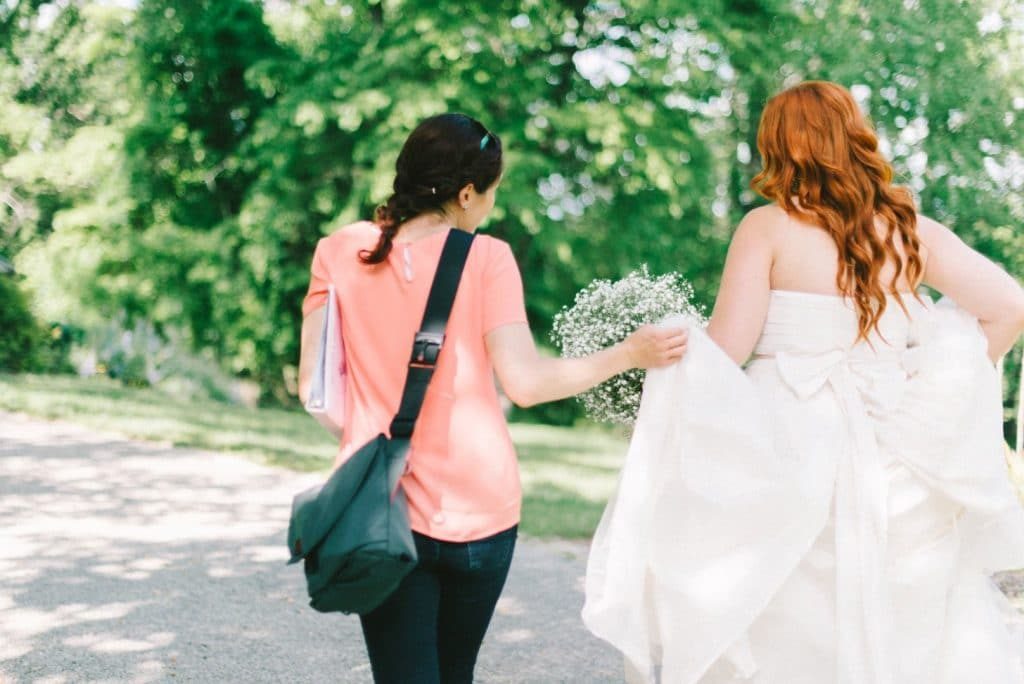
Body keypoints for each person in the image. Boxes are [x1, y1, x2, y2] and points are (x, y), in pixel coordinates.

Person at [583, 81, 1024, 683]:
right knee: (907, 611)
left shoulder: (766, 228)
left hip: (787, 441)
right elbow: (1009, 308)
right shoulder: (910, 230)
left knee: (779, 609)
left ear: (779, 148)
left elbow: (727, 350)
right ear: (855, 138)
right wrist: (937, 386)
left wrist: (653, 356)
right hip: (896, 449)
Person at [297, 113, 687, 684]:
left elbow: (316, 391)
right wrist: (630, 353)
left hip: (384, 510)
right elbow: (526, 384)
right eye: (492, 191)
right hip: (481, 509)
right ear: (465, 193)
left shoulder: (339, 252)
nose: (491, 204)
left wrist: (368, 443)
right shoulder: (486, 259)